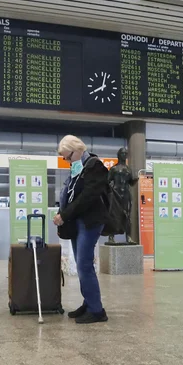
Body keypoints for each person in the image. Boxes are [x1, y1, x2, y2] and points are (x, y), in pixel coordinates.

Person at [54, 135, 109, 324]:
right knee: (80, 264)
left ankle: (97, 311)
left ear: (77, 149)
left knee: (84, 264)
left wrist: (65, 215)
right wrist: (62, 212)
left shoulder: (95, 166)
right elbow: (71, 194)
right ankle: (89, 302)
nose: (67, 161)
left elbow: (87, 197)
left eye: (67, 157)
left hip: (90, 222)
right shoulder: (77, 169)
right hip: (78, 222)